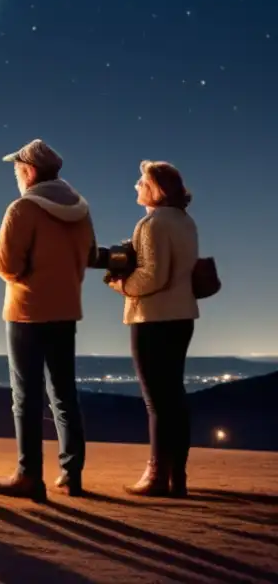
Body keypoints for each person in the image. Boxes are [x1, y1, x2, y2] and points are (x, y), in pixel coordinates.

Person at [0, 139, 96, 501]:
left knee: (27, 397)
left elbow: (5, 264)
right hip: (66, 310)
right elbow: (90, 254)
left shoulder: (23, 208)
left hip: (27, 312)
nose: (16, 178)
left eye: (18, 171)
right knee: (65, 395)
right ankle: (71, 474)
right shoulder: (81, 209)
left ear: (30, 171)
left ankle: (28, 474)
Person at [106, 161, 199, 497]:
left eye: (142, 181)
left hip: (152, 319)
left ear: (156, 189)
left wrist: (121, 284)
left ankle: (157, 476)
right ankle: (178, 476)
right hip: (182, 316)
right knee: (175, 396)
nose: (136, 185)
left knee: (156, 401)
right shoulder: (185, 222)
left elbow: (152, 277)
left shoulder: (152, 224)